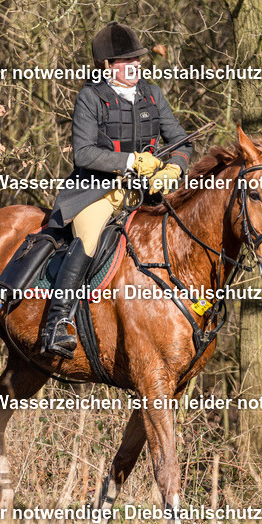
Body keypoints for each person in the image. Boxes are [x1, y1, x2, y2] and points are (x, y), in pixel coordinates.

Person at [41, 22, 193, 357]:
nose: (136, 65)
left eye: (138, 59)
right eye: (128, 61)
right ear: (107, 66)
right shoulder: (91, 97)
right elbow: (83, 153)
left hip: (146, 195)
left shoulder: (152, 94)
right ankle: (56, 323)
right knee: (89, 237)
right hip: (96, 191)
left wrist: (173, 169)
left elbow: (182, 140)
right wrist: (131, 161)